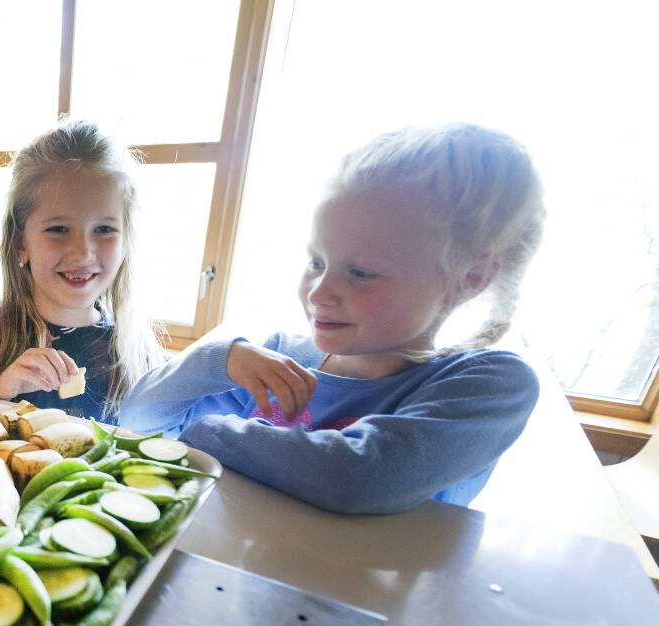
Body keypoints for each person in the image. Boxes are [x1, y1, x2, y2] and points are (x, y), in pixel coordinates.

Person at [119, 123, 545, 514]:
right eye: (316, 262)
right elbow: (140, 421)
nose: (320, 293)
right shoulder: (277, 358)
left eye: (360, 273)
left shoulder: (490, 386)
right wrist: (218, 360)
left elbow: (355, 479)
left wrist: (207, 432)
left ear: (469, 278)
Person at [0, 119, 164, 423]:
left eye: (104, 228)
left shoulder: (134, 354)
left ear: (126, 243)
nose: (82, 252)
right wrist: (2, 392)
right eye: (59, 229)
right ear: (20, 242)